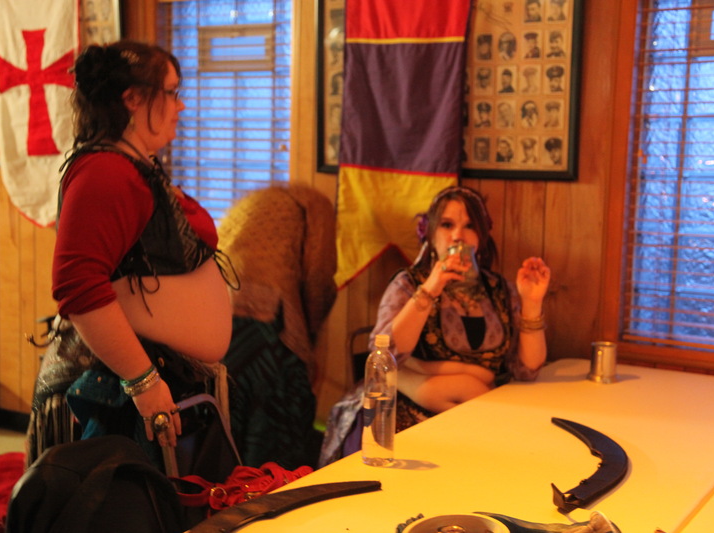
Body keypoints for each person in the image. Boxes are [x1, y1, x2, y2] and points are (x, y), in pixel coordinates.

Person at [26, 40, 235, 469]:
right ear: (133, 99)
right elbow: (77, 287)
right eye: (171, 92)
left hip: (150, 379)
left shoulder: (132, 164)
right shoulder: (105, 172)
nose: (180, 105)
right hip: (112, 394)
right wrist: (143, 382)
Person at [370, 186, 550, 431]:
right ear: (430, 234)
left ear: (481, 237)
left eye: (469, 226)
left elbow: (527, 371)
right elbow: (384, 355)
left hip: (483, 408)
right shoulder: (409, 284)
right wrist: (431, 288)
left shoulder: (499, 289)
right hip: (413, 414)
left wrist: (532, 302)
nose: (458, 236)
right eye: (447, 225)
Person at [218, 185, 337, 470]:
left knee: (229, 419)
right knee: (276, 434)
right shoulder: (317, 207)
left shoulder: (251, 202)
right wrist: (311, 337)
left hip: (221, 319)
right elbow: (319, 280)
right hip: (271, 325)